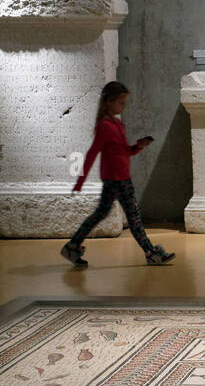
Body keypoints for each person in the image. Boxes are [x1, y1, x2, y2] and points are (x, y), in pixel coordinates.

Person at [61, 81, 175, 267]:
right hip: (117, 181)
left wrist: (138, 146)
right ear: (109, 102)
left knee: (102, 214)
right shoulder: (105, 126)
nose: (123, 107)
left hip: (120, 178)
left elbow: (123, 152)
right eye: (121, 103)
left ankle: (73, 246)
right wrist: (80, 182)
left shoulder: (117, 124)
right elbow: (92, 153)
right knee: (134, 217)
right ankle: (151, 253)